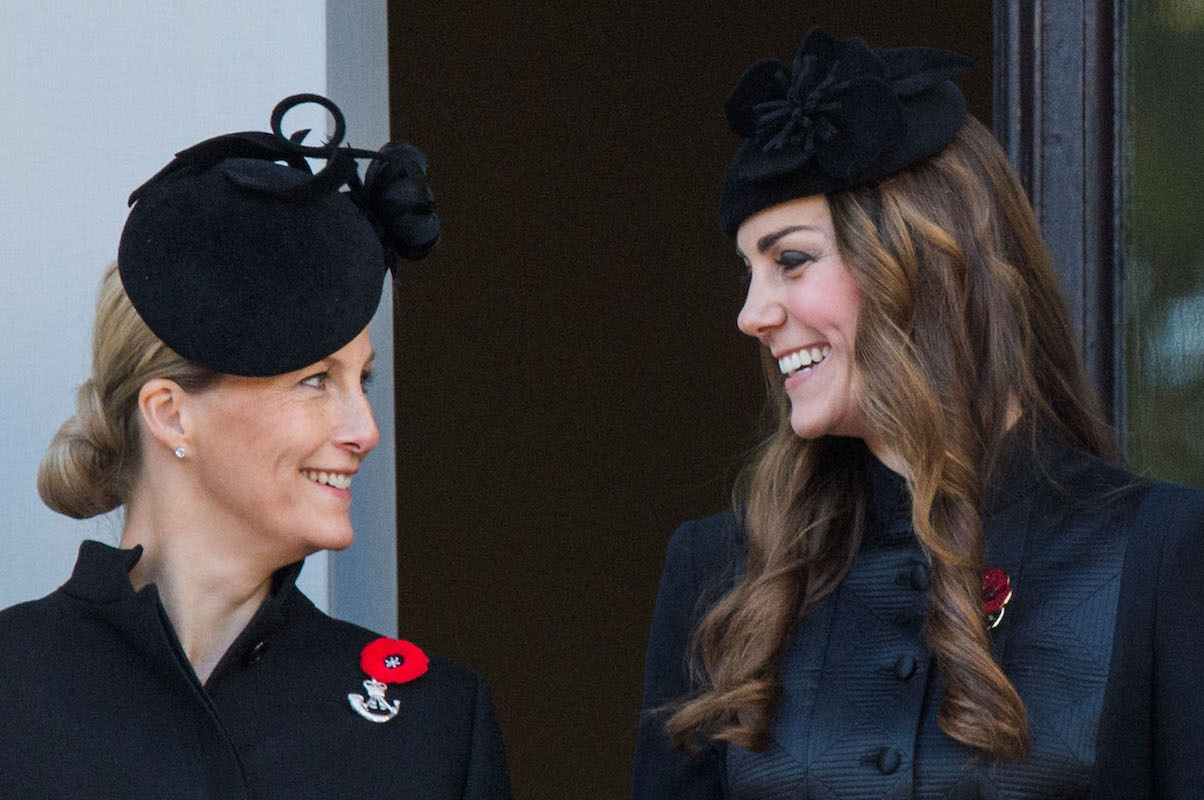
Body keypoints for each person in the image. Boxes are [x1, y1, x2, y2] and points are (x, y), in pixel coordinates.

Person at [632, 27, 1204, 800]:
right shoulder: (718, 573)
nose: (752, 313)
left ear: (922, 261)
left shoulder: (1159, 555)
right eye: (749, 271)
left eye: (790, 260)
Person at [0, 94, 512, 799]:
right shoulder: (14, 688)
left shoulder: (434, 724)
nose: (364, 430)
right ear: (172, 415)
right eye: (313, 381)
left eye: (360, 380)